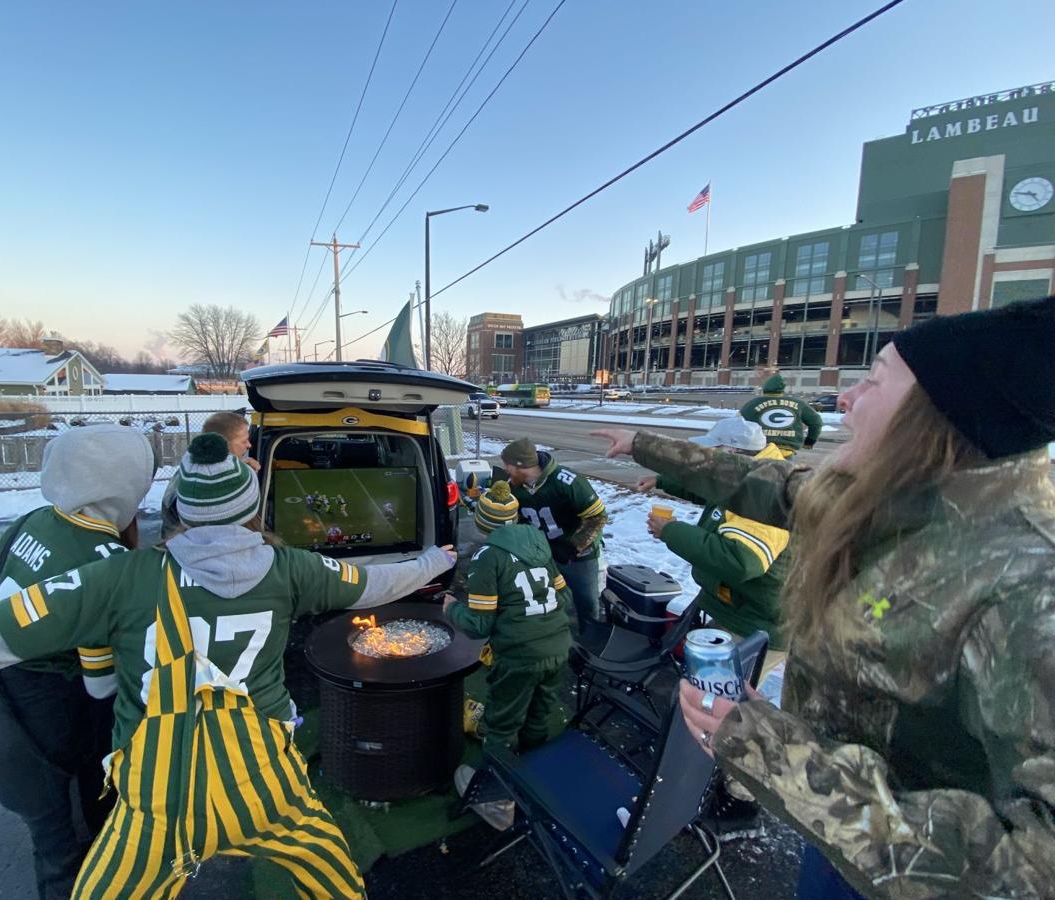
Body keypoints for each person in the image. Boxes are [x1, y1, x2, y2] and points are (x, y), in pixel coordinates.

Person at [0, 432, 457, 898]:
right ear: (253, 511)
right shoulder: (291, 570)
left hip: (157, 803)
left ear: (179, 512)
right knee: (334, 877)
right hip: (266, 786)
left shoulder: (118, 577)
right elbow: (375, 583)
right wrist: (436, 558)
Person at [592, 294, 1055, 898]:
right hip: (836, 850)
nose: (846, 398)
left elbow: (1034, 868)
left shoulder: (1026, 585)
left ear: (939, 413)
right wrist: (646, 444)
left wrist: (778, 757)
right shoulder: (895, 498)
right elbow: (767, 482)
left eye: (874, 381)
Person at [0, 424, 155, 900]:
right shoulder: (103, 560)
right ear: (123, 483)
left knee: (52, 850)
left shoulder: (33, 521)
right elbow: (101, 688)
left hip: (4, 711)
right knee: (76, 862)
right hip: (57, 738)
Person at [640, 416, 790, 834]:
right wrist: (665, 482)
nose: (708, 462)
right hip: (736, 613)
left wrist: (672, 531)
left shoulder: (763, 497)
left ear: (732, 455)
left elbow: (742, 561)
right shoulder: (753, 475)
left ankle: (739, 802)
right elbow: (712, 491)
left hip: (757, 625)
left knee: (734, 713)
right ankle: (710, 772)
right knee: (716, 703)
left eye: (713, 454)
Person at [445, 480, 572, 753]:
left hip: (520, 654)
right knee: (539, 715)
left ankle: (495, 779)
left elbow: (480, 624)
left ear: (482, 522)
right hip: (559, 645)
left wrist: (451, 607)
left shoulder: (487, 557)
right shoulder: (539, 542)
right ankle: (533, 768)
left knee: (501, 721)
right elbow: (564, 596)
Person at [499, 437, 607, 636]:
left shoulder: (567, 481)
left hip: (578, 557)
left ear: (521, 465)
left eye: (508, 466)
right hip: (544, 553)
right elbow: (517, 516)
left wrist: (573, 546)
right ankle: (556, 638)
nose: (506, 470)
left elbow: (598, 516)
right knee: (548, 599)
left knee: (586, 602)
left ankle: (591, 642)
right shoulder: (515, 486)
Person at [160, 410, 259, 539]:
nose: (249, 445)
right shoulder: (196, 487)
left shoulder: (190, 473)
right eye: (244, 441)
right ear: (223, 444)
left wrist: (244, 474)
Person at [739, 372, 823, 455]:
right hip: (786, 450)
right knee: (785, 468)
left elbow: (738, 422)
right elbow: (816, 422)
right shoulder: (799, 404)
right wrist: (810, 441)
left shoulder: (753, 404)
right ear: (782, 389)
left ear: (765, 388)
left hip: (759, 449)